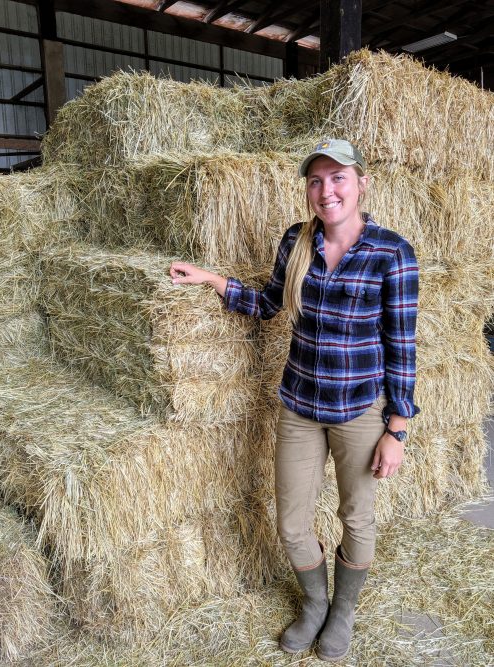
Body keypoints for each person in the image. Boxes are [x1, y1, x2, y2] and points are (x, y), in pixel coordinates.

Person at [169, 138, 420, 662]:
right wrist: (213, 280)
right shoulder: (297, 240)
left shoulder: (391, 253)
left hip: (360, 410)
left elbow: (402, 347)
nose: (326, 190)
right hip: (300, 403)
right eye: (315, 180)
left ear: (361, 183)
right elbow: (268, 303)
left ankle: (342, 612)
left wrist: (396, 430)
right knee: (291, 521)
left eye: (338, 178)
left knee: (357, 517)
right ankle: (314, 604)